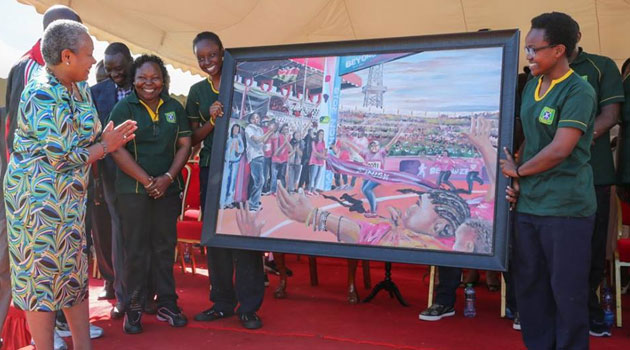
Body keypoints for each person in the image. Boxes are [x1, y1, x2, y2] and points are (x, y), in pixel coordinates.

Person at [3, 20, 136, 350]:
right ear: (66, 56)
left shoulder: (77, 88)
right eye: (89, 55)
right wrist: (106, 146)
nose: (94, 62)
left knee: (73, 277)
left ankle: (82, 346)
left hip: (70, 202)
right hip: (38, 204)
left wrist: (104, 140)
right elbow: (64, 158)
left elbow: (89, 136)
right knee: (42, 282)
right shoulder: (42, 92)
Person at [500, 12, 597, 350]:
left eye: (534, 49)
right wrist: (517, 176)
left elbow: (560, 149)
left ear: (558, 50)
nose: (528, 56)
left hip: (566, 208)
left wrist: (518, 172)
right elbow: (530, 139)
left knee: (566, 290)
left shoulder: (579, 90)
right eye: (527, 49)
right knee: (530, 287)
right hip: (529, 204)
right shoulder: (532, 86)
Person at [188, 32, 266, 330]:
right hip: (212, 170)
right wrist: (211, 120)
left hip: (244, 168)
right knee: (215, 240)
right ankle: (221, 303)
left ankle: (249, 306)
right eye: (201, 58)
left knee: (245, 233)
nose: (207, 61)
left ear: (223, 53)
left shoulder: (243, 81)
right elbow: (192, 139)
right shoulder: (197, 92)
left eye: (212, 55)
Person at [108, 54, 191, 334]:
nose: (149, 83)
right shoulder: (123, 108)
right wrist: (147, 180)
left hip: (167, 191)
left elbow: (185, 144)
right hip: (132, 191)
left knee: (164, 247)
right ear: (133, 80)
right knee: (136, 250)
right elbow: (115, 148)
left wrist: (167, 178)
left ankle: (168, 303)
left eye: (155, 77)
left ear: (164, 80)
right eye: (142, 77)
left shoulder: (174, 108)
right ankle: (134, 308)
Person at [566, 20, 626, 338]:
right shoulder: (541, 69)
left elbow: (610, 114)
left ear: (576, 37)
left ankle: (588, 308)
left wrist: (573, 141)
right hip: (549, 176)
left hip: (594, 173)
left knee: (591, 246)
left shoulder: (601, 66)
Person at [90, 42, 134, 320]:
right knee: (108, 230)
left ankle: (132, 291)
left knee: (131, 232)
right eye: (110, 69)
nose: (115, 74)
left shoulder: (144, 85)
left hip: (139, 171)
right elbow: (91, 134)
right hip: (105, 173)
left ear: (130, 62)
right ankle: (115, 283)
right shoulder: (95, 93)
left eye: (120, 68)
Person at [220, 123, 244, 208]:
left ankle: (229, 201)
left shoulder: (239, 139)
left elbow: (242, 149)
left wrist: (238, 149)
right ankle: (222, 202)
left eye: (237, 129)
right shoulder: (228, 139)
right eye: (234, 129)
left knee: (232, 182)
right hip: (227, 162)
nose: (236, 131)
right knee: (225, 181)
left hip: (235, 162)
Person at [270, 124, 290, 194]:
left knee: (282, 176)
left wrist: (286, 141)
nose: (286, 131)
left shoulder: (288, 137)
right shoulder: (278, 137)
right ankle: (273, 190)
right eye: (285, 129)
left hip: (284, 160)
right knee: (274, 176)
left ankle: (281, 191)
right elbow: (276, 152)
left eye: (287, 129)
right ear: (281, 130)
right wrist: (285, 143)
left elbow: (290, 149)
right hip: (276, 160)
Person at [307, 129, 327, 195]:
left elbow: (324, 150)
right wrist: (322, 156)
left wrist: (323, 155)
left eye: (323, 134)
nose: (322, 135)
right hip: (314, 160)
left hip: (320, 161)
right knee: (313, 176)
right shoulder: (314, 141)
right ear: (318, 134)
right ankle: (309, 190)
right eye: (321, 133)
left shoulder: (323, 142)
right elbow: (314, 151)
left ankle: (314, 189)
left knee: (318, 177)